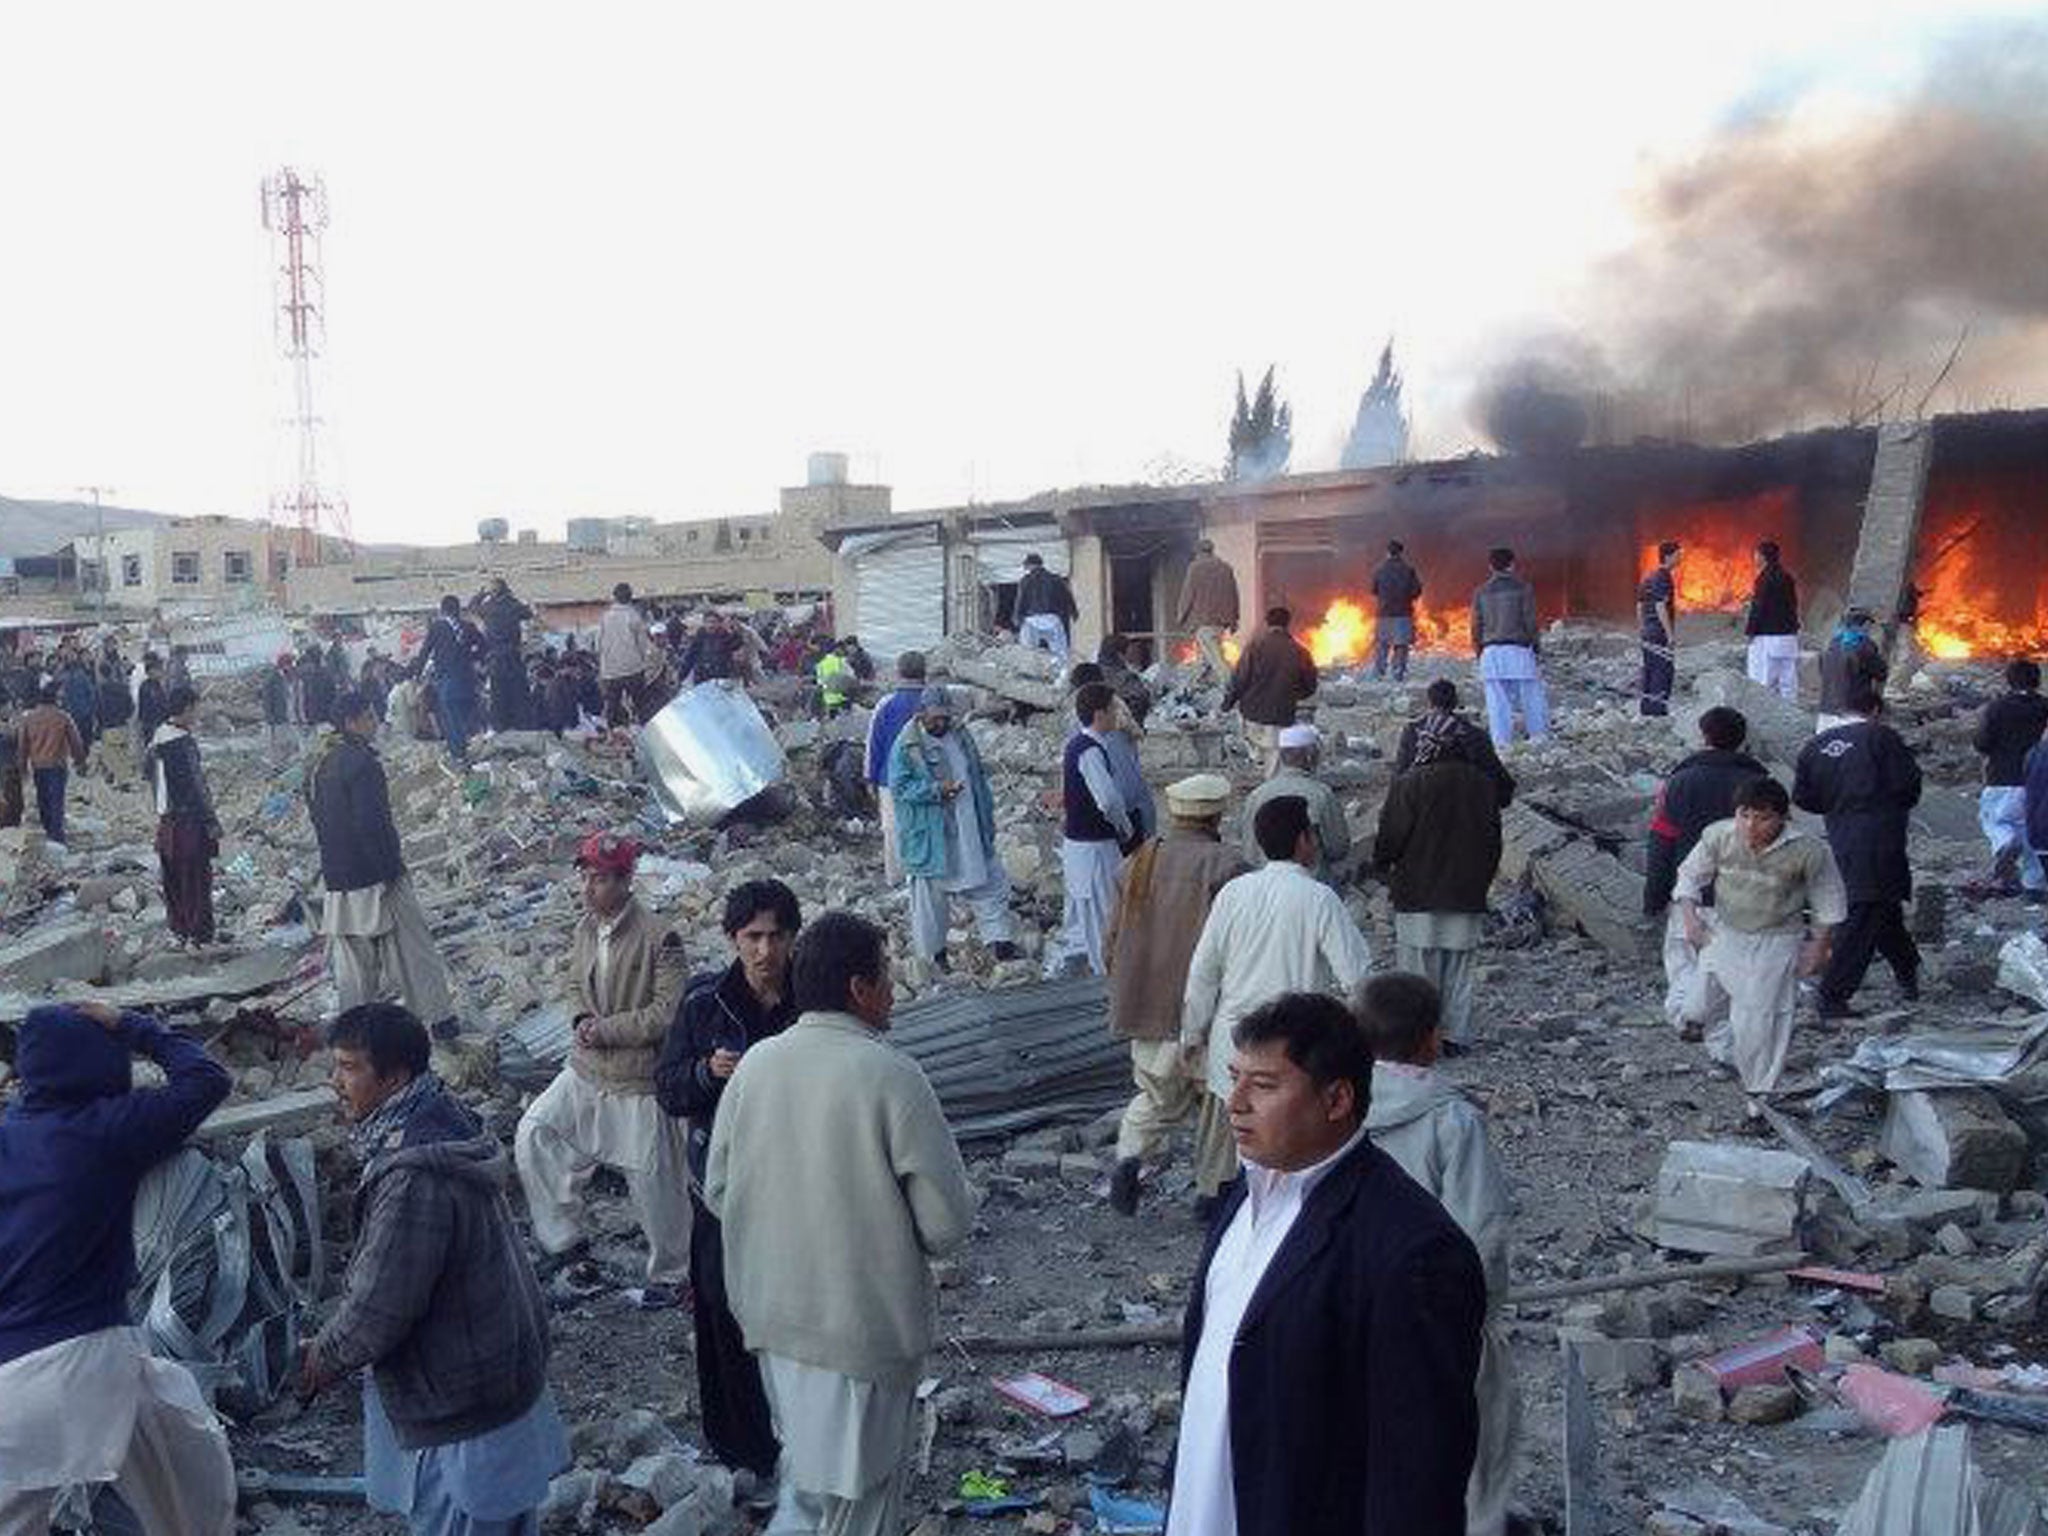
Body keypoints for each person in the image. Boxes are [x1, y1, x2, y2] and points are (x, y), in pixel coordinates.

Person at [1167, 991, 1485, 1536]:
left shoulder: (1411, 1251)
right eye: (1234, 1076)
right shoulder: (1245, 1197)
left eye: (1263, 1085)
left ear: (1336, 1101)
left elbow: (1417, 1474)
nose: (1235, 1101)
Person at [705, 912, 974, 1536]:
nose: (893, 991)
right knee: (859, 1507)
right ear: (859, 987)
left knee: (806, 1487)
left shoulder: (756, 1067)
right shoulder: (891, 1075)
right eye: (886, 976)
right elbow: (944, 1224)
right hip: (860, 1335)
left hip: (773, 1321)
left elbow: (718, 1188)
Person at [300, 1003, 568, 1536]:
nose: (336, 1082)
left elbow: (380, 1306)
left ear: (394, 1077)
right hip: (497, 1373)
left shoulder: (412, 1175)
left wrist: (322, 1359)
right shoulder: (444, 1117)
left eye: (349, 1068)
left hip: (459, 1401)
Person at [0, 1002, 235, 1536]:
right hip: (82, 1358)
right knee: (182, 1468)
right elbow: (206, 1079)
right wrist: (135, 1028)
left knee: (174, 1449)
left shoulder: (10, 1134)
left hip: (20, 1364)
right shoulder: (107, 1132)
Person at [1357, 974, 1522, 1536]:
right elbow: (1482, 1228)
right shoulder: (1450, 1120)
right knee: (1479, 1434)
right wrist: (1485, 1314)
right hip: (1438, 1308)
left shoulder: (1336, 1108)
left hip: (1354, 1304)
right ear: (1431, 1039)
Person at [653, 881, 803, 1491]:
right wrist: (704, 1073)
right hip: (720, 1181)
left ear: (792, 938)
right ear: (733, 940)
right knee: (720, 1308)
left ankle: (802, 1434)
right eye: (752, 937)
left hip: (796, 1181)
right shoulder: (704, 1003)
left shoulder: (811, 999)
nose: (764, 951)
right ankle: (742, 1446)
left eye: (774, 936)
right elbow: (667, 1088)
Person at [514, 831, 692, 1307]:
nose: (588, 889)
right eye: (585, 878)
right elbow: (574, 982)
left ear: (624, 881)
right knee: (536, 1132)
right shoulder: (585, 929)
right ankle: (567, 1246)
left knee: (655, 1184)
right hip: (587, 1068)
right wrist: (579, 1021)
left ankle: (673, 1275)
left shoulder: (660, 937)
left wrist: (607, 1029)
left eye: (598, 880)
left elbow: (667, 1013)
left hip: (637, 1075)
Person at [1182, 796, 1373, 1209]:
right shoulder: (1318, 898)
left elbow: (1203, 970)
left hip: (1232, 1041)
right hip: (1293, 1048)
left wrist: (1191, 1032)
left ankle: (1219, 1201)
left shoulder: (1235, 893)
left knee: (1235, 1126)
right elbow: (1358, 979)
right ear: (1304, 840)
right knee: (1285, 1139)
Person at [1104, 774, 1246, 1217]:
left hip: (1146, 1007)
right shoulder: (1228, 866)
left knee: (1155, 1097)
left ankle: (1128, 1160)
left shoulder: (1139, 860)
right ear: (1215, 814)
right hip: (1205, 1013)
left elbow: (1112, 939)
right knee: (1216, 1107)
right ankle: (1209, 1192)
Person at [1673, 777, 1848, 1108]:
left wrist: (1819, 945)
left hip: (1774, 942)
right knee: (1695, 1006)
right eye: (1745, 815)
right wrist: (1691, 917)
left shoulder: (1809, 851)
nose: (1752, 825)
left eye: (1763, 817)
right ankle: (1704, 1027)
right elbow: (1690, 876)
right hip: (1725, 931)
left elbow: (1830, 899)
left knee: (1760, 1027)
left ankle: (1759, 1104)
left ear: (1782, 818)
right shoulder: (1719, 836)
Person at [311, 692, 461, 1039]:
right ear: (351, 722)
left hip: (339, 878)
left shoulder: (320, 764)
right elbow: (372, 824)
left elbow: (319, 821)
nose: (375, 722)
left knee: (354, 964)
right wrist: (390, 872)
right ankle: (440, 1020)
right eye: (369, 716)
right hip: (376, 875)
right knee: (413, 949)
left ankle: (352, 1034)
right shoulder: (363, 764)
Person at [1373, 711, 1505, 1055]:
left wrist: (1382, 867)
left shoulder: (1411, 783)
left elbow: (1391, 836)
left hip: (1417, 893)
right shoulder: (1482, 785)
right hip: (1466, 892)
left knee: (1418, 973)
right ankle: (1455, 1037)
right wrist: (1483, 880)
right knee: (1459, 970)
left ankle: (1416, 1041)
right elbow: (1493, 840)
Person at [1794, 686, 1923, 1018]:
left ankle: (1908, 969)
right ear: (1876, 710)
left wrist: (1838, 806)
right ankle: (1833, 995)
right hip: (1880, 835)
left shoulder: (1816, 746)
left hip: (1840, 834)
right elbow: (1908, 787)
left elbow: (1805, 798)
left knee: (1882, 908)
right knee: (1865, 909)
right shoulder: (1882, 738)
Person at [1644, 707, 1766, 1030]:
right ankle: (1724, 1025)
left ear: (1704, 736)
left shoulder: (1679, 782)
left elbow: (1662, 840)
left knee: (1684, 961)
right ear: (1742, 740)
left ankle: (1688, 1019)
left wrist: (1655, 895)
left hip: (1692, 897)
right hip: (1747, 896)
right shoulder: (1760, 785)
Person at [888, 686, 1022, 973]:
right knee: (930, 900)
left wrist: (988, 819)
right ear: (921, 714)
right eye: (935, 718)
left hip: (970, 827)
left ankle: (999, 943)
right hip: (932, 837)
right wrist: (936, 790)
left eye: (945, 718)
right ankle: (933, 960)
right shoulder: (907, 744)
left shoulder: (960, 733)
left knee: (990, 882)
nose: (941, 724)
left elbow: (977, 775)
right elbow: (899, 787)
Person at [1047, 682, 1141, 978]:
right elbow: (1109, 800)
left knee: (1083, 916)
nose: (1117, 714)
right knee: (1104, 918)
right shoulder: (1089, 751)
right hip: (1095, 847)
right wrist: (1125, 828)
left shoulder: (1076, 745)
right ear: (1100, 714)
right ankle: (1107, 981)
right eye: (1113, 709)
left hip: (1079, 847)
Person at [145, 685, 221, 949]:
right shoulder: (182, 743)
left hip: (167, 822)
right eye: (196, 707)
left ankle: (180, 929)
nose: (198, 713)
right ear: (188, 708)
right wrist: (211, 820)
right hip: (189, 821)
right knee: (196, 878)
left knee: (174, 879)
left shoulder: (156, 739)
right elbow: (197, 785)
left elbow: (152, 781)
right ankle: (199, 933)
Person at [1240, 723, 1351, 885]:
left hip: (1261, 884)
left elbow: (1248, 849)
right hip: (1311, 884)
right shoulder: (1321, 794)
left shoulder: (1257, 794)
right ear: (1310, 756)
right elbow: (1338, 848)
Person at [1974, 659, 2048, 896]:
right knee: (2035, 835)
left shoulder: (1996, 708)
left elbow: (1982, 743)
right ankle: (2034, 887)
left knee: (1996, 821)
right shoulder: (2045, 706)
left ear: (2009, 680)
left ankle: (2005, 842)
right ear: (2037, 680)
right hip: (2039, 783)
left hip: (2002, 778)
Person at [1222, 607, 1318, 775]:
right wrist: (1292, 695)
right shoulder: (1299, 651)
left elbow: (1240, 679)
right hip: (1280, 714)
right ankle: (1268, 784)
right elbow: (1310, 686)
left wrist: (1227, 703)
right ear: (1288, 624)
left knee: (1261, 750)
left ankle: (1259, 768)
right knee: (1273, 757)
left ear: (1267, 623)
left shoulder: (1254, 646)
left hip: (1251, 713)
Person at [1470, 547, 1548, 748]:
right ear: (1512, 564)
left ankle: (1501, 742)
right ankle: (1538, 737)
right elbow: (1530, 621)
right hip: (1518, 649)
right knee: (1531, 695)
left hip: (1491, 651)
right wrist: (1536, 646)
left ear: (1490, 566)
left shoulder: (1480, 592)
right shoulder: (1523, 588)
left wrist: (1478, 650)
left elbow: (1476, 625)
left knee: (1496, 702)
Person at [1395, 679, 1517, 807]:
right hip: (1468, 812)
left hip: (1421, 811)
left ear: (1429, 702)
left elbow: (1399, 774)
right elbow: (1499, 778)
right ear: (1455, 702)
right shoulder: (1474, 734)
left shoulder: (1412, 732)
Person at [864, 652, 926, 885]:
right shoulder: (933, 701)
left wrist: (870, 777)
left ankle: (897, 879)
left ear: (899, 673)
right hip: (927, 779)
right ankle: (922, 876)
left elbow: (874, 744)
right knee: (924, 826)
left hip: (890, 779)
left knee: (893, 829)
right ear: (924, 673)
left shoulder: (887, 704)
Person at [411, 596, 486, 761]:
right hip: (468, 680)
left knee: (451, 719)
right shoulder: (468, 626)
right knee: (469, 715)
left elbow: (425, 651)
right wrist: (470, 657)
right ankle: (477, 748)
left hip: (448, 680)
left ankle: (460, 755)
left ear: (442, 610)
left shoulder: (437, 627)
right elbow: (484, 646)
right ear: (458, 610)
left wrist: (416, 674)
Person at [19, 682, 87, 843]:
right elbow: (76, 742)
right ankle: (56, 837)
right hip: (57, 765)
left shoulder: (29, 718)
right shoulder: (62, 717)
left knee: (43, 799)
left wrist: (22, 767)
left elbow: (23, 745)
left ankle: (48, 829)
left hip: (38, 765)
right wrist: (80, 762)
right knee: (56, 800)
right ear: (55, 698)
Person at [1176, 539, 1240, 685]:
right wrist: (1234, 620)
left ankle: (1231, 687)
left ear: (1198, 552)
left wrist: (1181, 616)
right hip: (1221, 623)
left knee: (1217, 661)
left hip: (1204, 622)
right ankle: (1195, 687)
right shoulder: (1226, 568)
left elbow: (1187, 595)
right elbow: (1233, 594)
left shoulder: (1195, 568)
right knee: (1204, 661)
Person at [1743, 541, 1801, 701]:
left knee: (1763, 679)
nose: (1754, 557)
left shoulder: (1764, 578)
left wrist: (1750, 631)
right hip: (1788, 636)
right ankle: (1790, 713)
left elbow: (1759, 607)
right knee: (1788, 680)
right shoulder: (1787, 576)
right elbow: (1792, 604)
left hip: (1768, 638)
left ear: (1762, 556)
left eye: (1756, 554)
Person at [1816, 606, 1888, 734]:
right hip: (1853, 714)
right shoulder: (1864, 645)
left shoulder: (1830, 644)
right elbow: (1882, 673)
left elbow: (1822, 671)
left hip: (1826, 712)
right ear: (1865, 624)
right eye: (1869, 626)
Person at [477, 577, 535, 733]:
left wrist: (481, 594)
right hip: (513, 656)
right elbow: (529, 613)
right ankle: (521, 726)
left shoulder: (487, 607)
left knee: (497, 695)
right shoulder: (513, 605)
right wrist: (512, 597)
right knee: (518, 694)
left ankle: (500, 728)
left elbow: (472, 607)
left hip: (495, 658)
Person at [597, 582, 656, 727]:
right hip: (633, 668)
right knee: (641, 705)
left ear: (614, 597)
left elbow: (599, 644)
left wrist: (603, 667)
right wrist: (644, 664)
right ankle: (645, 731)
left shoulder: (605, 617)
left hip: (610, 671)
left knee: (613, 707)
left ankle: (614, 737)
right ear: (630, 597)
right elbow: (643, 645)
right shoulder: (634, 616)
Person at [1370, 539, 1425, 681]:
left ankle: (1378, 673)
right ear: (1401, 553)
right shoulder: (1409, 570)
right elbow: (1417, 591)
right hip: (1403, 614)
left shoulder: (1379, 570)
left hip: (1384, 614)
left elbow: (1373, 590)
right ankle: (1398, 674)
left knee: (1382, 645)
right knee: (1401, 646)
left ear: (1387, 553)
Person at [1639, 540, 1681, 716]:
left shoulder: (1648, 576)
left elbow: (1639, 605)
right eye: (1678, 555)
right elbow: (1659, 606)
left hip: (1648, 632)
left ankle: (1647, 708)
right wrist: (1670, 635)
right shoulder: (1663, 577)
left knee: (1649, 668)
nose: (1680, 559)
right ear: (1668, 556)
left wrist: (1642, 628)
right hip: (1658, 632)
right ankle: (1657, 710)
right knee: (1663, 670)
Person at [1014, 552, 1079, 662]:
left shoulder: (1025, 580)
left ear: (1030, 565)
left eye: (1026, 565)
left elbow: (1020, 600)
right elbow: (1067, 596)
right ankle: (1061, 674)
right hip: (1052, 619)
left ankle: (1029, 674)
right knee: (1060, 652)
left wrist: (1017, 618)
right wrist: (1074, 612)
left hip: (1032, 620)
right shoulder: (1056, 578)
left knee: (1028, 651)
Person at [676, 609, 747, 687]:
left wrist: (732, 631)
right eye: (708, 622)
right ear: (704, 623)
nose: (711, 625)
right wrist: (680, 677)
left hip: (721, 678)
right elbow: (690, 657)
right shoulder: (700, 636)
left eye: (714, 622)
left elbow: (739, 649)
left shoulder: (726, 636)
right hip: (702, 678)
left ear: (719, 623)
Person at [95, 648, 135, 782]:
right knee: (123, 754)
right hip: (122, 725)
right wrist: (125, 716)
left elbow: (98, 710)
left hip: (108, 726)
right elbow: (131, 707)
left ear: (100, 674)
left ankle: (118, 780)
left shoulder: (100, 691)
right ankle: (125, 779)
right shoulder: (123, 688)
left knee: (111, 756)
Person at [1096, 633, 1154, 726]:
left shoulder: (1090, 673)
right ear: (1120, 655)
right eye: (1129, 652)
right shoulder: (1126, 678)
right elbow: (1142, 700)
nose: (1134, 657)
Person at [135, 653, 169, 783]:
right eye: (157, 670)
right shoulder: (148, 687)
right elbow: (154, 705)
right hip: (151, 722)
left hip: (156, 722)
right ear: (150, 672)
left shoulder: (156, 685)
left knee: (155, 747)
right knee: (151, 748)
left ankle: (153, 771)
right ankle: (148, 772)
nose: (160, 672)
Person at [263, 653, 296, 756]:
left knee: (288, 741)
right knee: (279, 743)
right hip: (278, 716)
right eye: (289, 664)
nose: (291, 667)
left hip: (288, 714)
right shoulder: (272, 679)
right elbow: (267, 699)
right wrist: (270, 716)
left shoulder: (288, 676)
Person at [816, 637, 857, 718]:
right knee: (845, 722)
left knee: (832, 722)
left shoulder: (820, 664)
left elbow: (820, 682)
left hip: (828, 700)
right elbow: (852, 678)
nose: (844, 651)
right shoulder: (841, 661)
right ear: (836, 649)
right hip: (843, 698)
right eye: (842, 649)